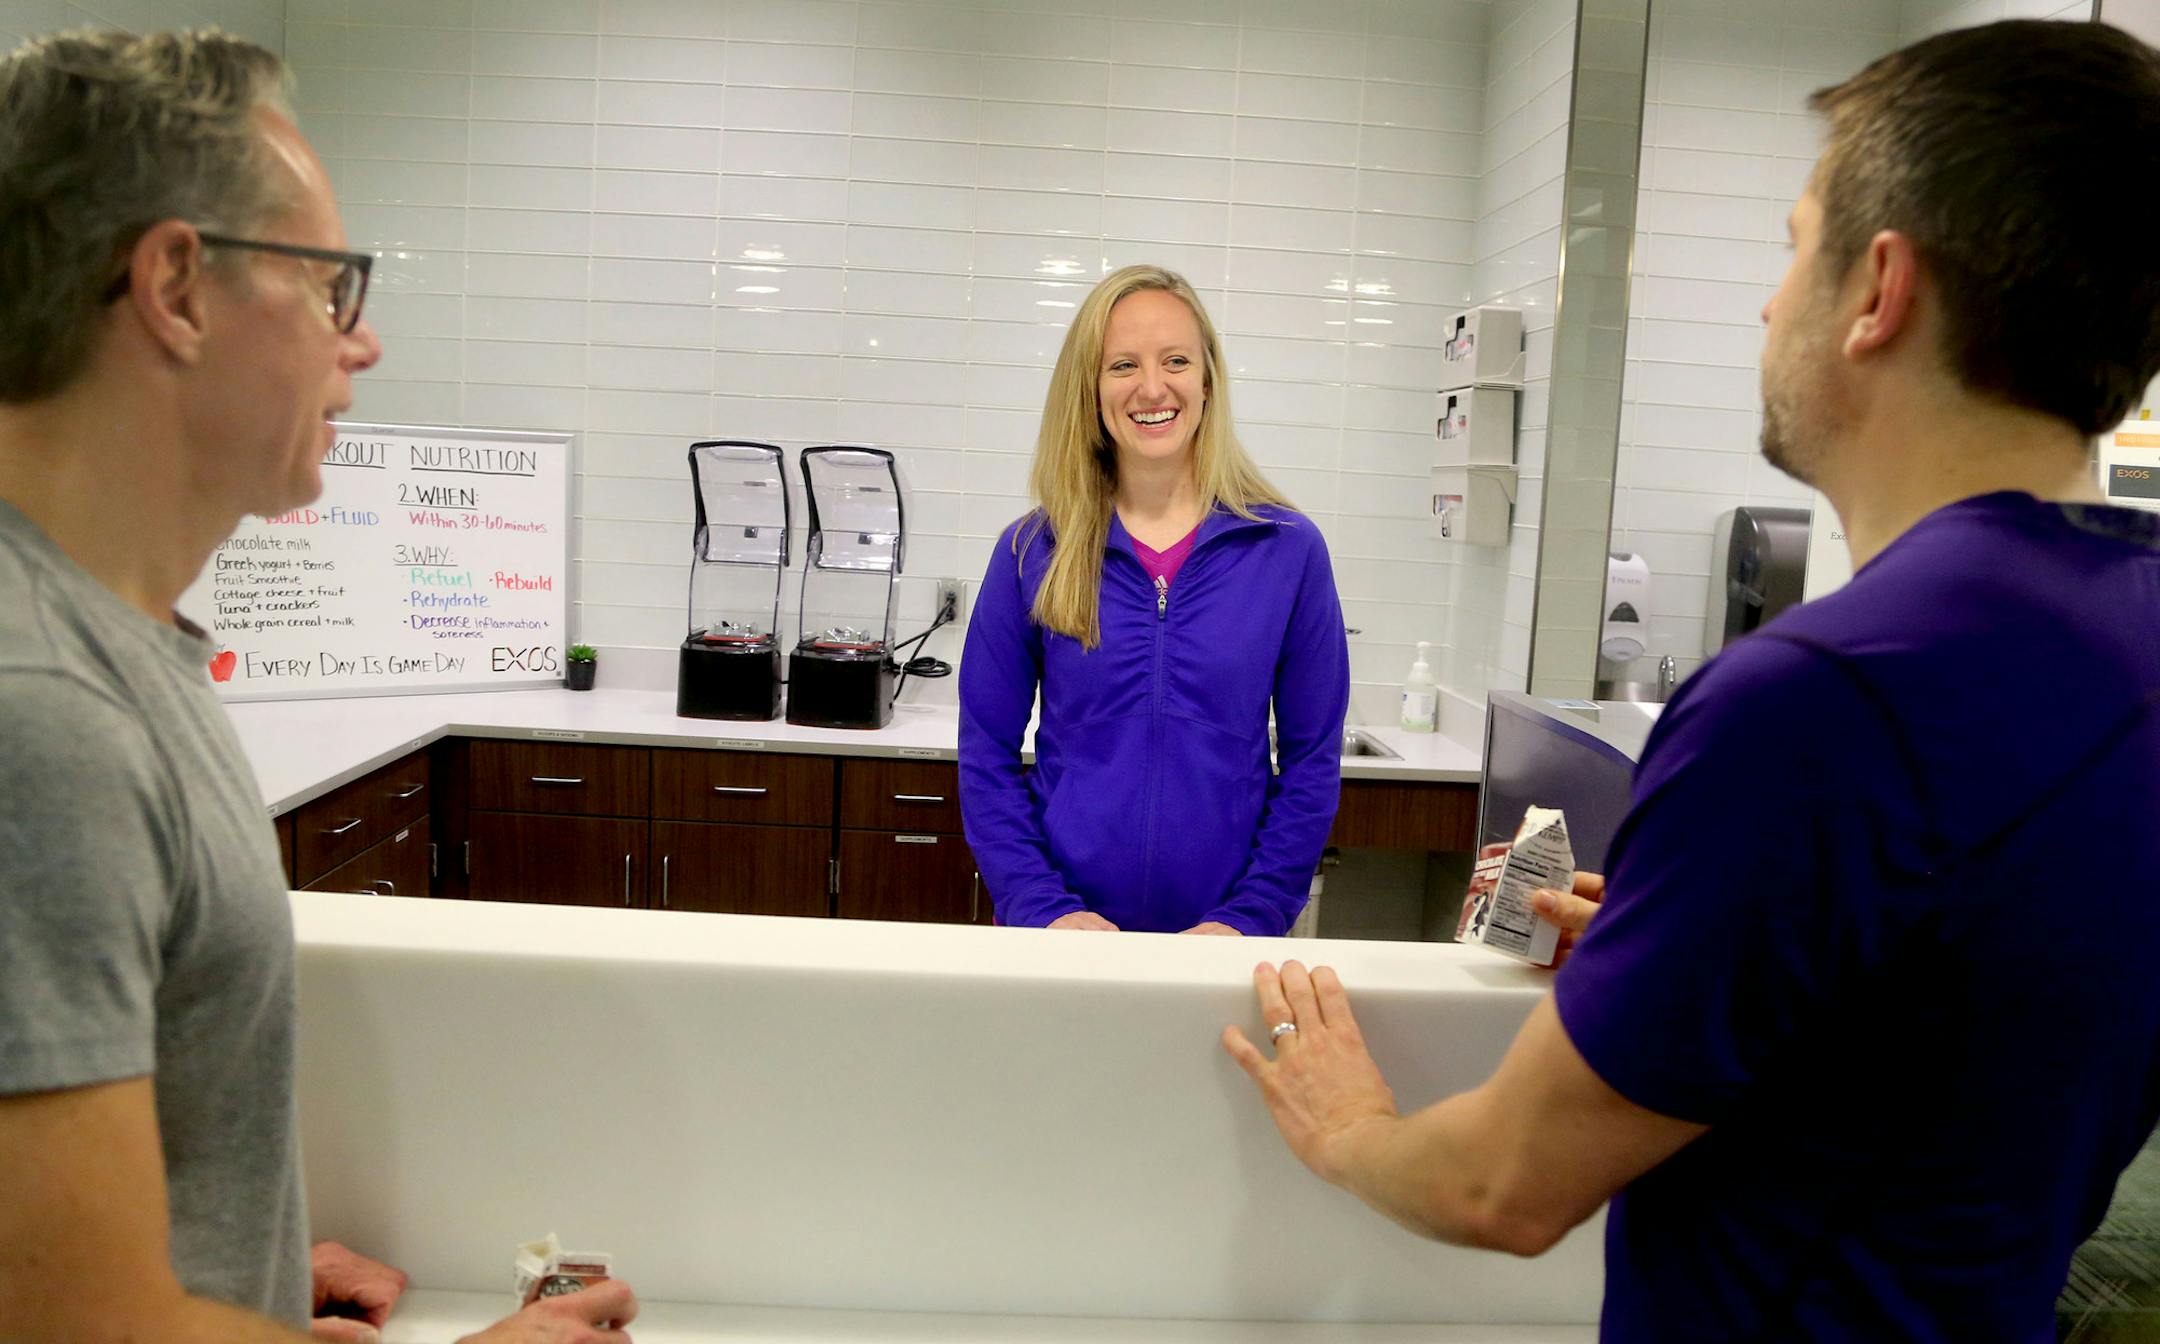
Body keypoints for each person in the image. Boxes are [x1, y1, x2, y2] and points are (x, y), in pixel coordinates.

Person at [1223, 19, 2160, 1343]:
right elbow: (1954, 1022)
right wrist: (1678, 953)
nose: (1773, 299)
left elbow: (1502, 1187)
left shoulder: (1823, 699)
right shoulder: (2130, 632)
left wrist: (1350, 1127)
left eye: (1794, 244)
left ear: (1879, 290)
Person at [0, 30, 636, 1344]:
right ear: (175, 287)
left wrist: (242, 1266)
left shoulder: (122, 648)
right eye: (331, 286)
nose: (366, 345)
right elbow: (74, 1330)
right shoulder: (39, 714)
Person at [959, 264, 1350, 935]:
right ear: (1090, 386)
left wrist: (1248, 919)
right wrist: (1044, 910)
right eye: (1122, 365)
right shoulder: (1032, 552)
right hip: (1060, 942)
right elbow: (985, 756)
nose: (1151, 387)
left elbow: (1313, 763)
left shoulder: (1287, 550)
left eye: (1175, 360)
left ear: (1207, 379)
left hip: (1223, 946)